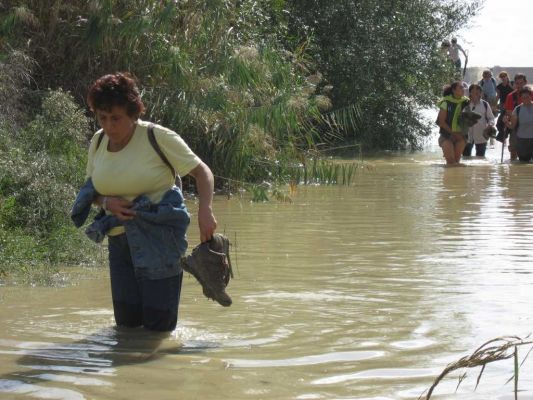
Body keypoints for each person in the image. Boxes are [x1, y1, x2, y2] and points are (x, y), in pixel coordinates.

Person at [81, 72, 217, 332]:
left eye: (116, 118)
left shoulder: (158, 137)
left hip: (159, 241)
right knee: (126, 328)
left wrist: (205, 210)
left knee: (158, 329)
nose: (109, 126)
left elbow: (202, 172)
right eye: (103, 118)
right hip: (119, 242)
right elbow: (91, 190)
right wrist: (107, 202)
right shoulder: (98, 141)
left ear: (133, 114)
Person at [437, 81, 470, 166]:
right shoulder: (445, 102)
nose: (463, 89)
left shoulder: (466, 102)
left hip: (461, 136)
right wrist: (454, 133)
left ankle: (456, 178)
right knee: (451, 162)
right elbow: (441, 122)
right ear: (454, 90)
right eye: (461, 88)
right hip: (446, 135)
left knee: (456, 162)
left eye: (463, 87)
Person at [462, 83, 495, 157]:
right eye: (473, 92)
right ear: (470, 92)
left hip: (481, 136)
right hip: (466, 136)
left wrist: (490, 124)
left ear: (481, 93)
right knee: (465, 158)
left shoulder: (485, 104)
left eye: (478, 92)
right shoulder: (464, 104)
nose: (476, 94)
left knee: (480, 159)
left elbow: (491, 118)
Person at [504, 73, 528, 160]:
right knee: (513, 151)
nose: (519, 85)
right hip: (515, 126)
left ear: (525, 82)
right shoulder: (510, 96)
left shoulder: (531, 95)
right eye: (517, 83)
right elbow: (509, 112)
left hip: (530, 127)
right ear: (514, 84)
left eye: (521, 83)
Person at [506, 85, 533, 162]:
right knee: (523, 162)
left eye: (527, 97)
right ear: (521, 98)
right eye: (523, 98)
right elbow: (512, 126)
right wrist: (506, 122)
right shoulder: (517, 109)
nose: (526, 99)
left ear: (531, 96)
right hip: (521, 140)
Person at [495, 71, 514, 143]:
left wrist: (510, 85)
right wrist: (494, 105)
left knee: (510, 119)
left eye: (504, 76)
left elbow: (515, 91)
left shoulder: (512, 83)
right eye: (501, 77)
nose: (503, 78)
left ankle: (505, 135)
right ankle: (503, 135)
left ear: (507, 76)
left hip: (512, 104)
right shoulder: (499, 86)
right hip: (503, 104)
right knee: (500, 121)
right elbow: (498, 96)